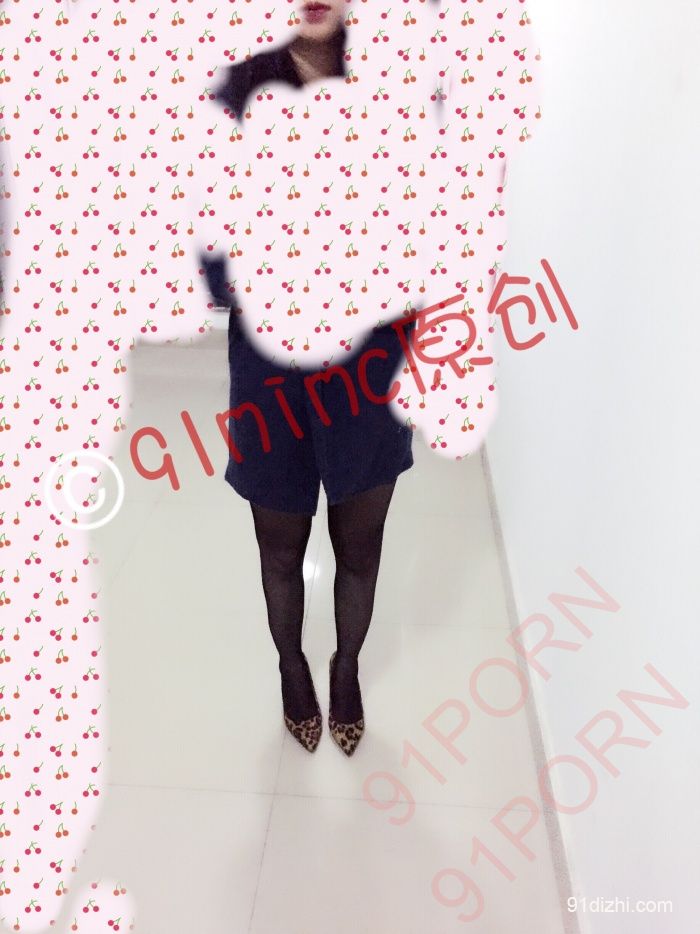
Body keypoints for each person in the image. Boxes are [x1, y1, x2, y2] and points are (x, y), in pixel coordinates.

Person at [200, 0, 416, 756]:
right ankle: (292, 667)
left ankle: (345, 666)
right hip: (270, 361)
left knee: (361, 541)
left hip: (370, 361)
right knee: (279, 538)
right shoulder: (232, 90)